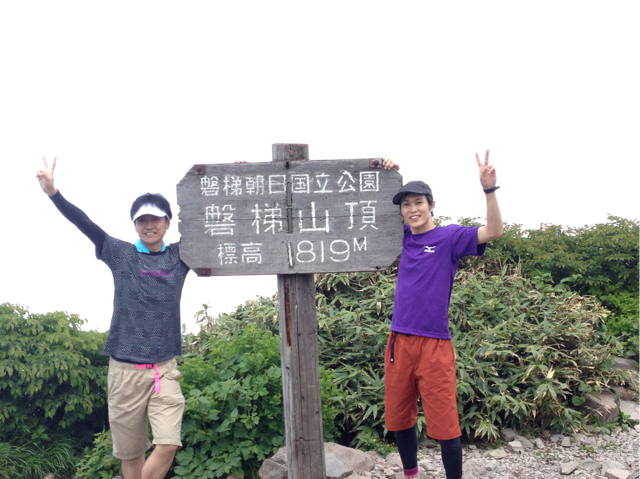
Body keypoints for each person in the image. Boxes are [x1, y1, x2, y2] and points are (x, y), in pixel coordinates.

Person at [36, 157, 190, 479]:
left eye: (155, 219)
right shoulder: (122, 255)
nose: (149, 225)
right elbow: (85, 224)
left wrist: (227, 178)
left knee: (167, 444)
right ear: (135, 225)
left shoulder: (180, 256)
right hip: (124, 371)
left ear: (167, 222)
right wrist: (53, 193)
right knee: (131, 453)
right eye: (142, 220)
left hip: (163, 370)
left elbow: (214, 227)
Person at [384, 151, 503, 479]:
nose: (412, 209)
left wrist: (489, 189)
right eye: (406, 204)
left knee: (446, 424)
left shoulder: (450, 236)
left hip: (435, 344)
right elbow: (366, 209)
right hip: (399, 340)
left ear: (432, 205)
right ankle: (411, 474)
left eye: (418, 202)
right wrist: (386, 172)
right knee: (399, 418)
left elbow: (494, 231)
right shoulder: (400, 236)